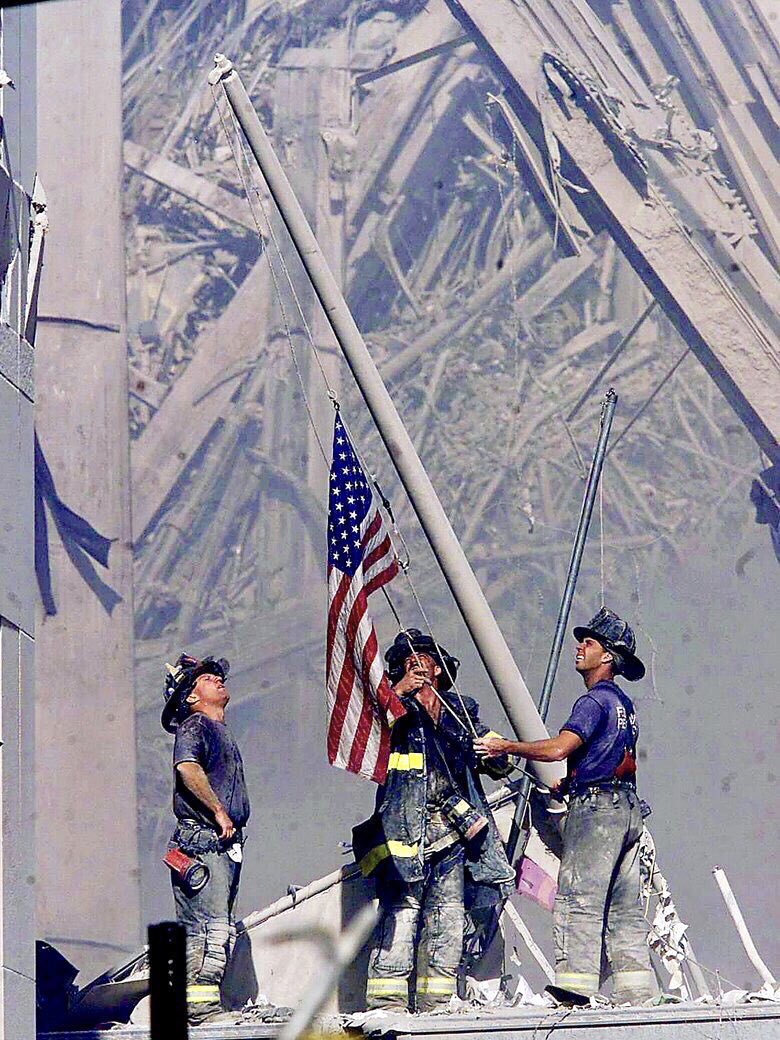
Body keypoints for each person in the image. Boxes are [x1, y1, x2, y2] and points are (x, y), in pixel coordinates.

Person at [475, 607, 657, 1006]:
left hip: (597, 813)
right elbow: (609, 756)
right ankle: (637, 992)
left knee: (579, 898)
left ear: (606, 655)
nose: (579, 647)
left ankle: (576, 988)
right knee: (623, 906)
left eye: (588, 643)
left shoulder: (593, 701)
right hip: (627, 809)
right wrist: (572, 782)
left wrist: (505, 747)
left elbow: (559, 749)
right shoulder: (624, 705)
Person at [353, 629, 515, 1013]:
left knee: (448, 917)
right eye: (406, 661)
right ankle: (387, 1002)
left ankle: (436, 1001)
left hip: (453, 833)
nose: (415, 663)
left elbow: (501, 762)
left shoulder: (461, 712)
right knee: (401, 914)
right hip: (403, 831)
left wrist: (496, 753)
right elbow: (367, 736)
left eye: (422, 657)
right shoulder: (391, 709)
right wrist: (398, 693)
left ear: (439, 669)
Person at [161, 653, 251, 1025]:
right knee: (207, 929)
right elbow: (187, 768)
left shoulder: (217, 730)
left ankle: (205, 1004)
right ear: (191, 696)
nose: (217, 679)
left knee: (219, 926)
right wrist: (217, 810)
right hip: (203, 842)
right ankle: (199, 1008)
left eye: (217, 676)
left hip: (221, 845)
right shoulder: (195, 725)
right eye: (206, 678)